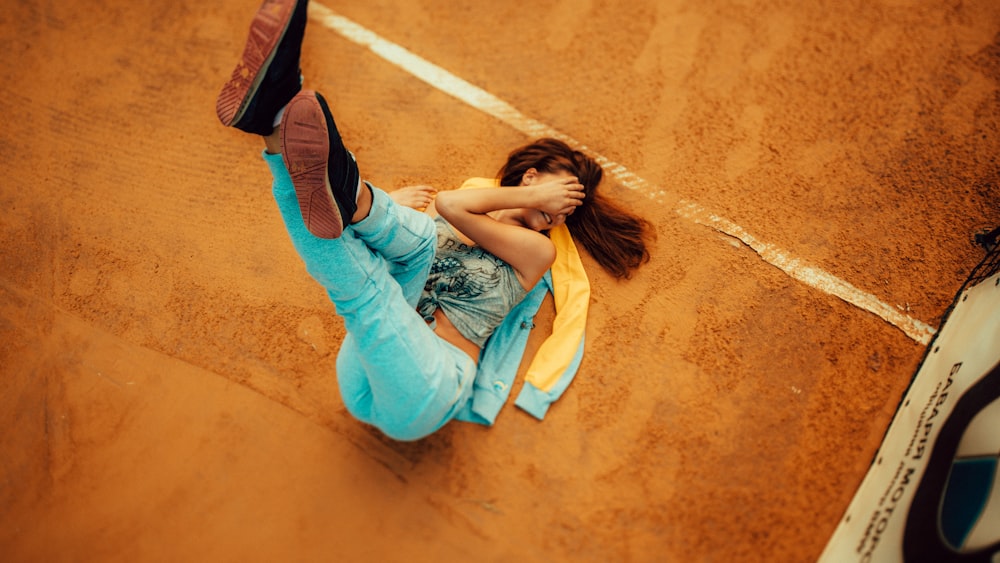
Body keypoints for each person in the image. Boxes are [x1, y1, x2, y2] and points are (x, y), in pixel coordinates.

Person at [217, 0, 652, 441]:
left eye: (569, 207)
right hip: (371, 362)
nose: (562, 208)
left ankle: (357, 195)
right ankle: (277, 127)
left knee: (373, 287)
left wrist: (387, 209)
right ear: (532, 175)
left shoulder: (538, 252)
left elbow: (453, 206)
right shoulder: (443, 211)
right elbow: (407, 228)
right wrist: (388, 216)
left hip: (433, 385)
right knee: (407, 244)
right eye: (563, 191)